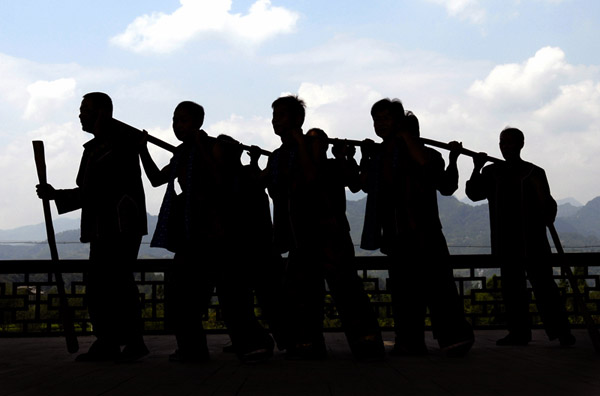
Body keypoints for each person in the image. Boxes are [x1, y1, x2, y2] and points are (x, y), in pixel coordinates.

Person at [140, 102, 273, 363]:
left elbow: (220, 180)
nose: (178, 126)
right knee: (182, 294)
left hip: (221, 234)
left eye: (184, 121)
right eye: (175, 120)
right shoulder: (180, 154)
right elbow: (156, 178)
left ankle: (256, 341)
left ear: (198, 123)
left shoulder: (216, 147)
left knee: (231, 294)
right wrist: (142, 149)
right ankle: (192, 348)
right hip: (192, 235)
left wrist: (200, 146)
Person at [36, 92, 149, 362]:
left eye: (85, 110)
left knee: (115, 285)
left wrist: (58, 195)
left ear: (101, 113)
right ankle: (113, 340)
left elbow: (97, 192)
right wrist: (57, 194)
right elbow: (90, 191)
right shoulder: (98, 147)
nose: (80, 115)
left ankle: (125, 341)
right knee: (103, 286)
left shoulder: (118, 146)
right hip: (103, 227)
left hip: (119, 227)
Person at [359, 99, 474, 357]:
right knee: (403, 294)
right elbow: (363, 184)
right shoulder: (379, 156)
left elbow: (430, 170)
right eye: (376, 120)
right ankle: (409, 340)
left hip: (425, 232)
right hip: (396, 236)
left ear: (399, 122)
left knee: (440, 288)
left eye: (386, 118)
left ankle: (454, 337)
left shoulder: (426, 154)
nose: (380, 124)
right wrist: (365, 157)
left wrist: (406, 138)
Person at [465, 127, 575, 346]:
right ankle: (519, 333)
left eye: (510, 143)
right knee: (512, 290)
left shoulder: (534, 173)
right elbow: (473, 194)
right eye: (502, 143)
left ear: (521, 144)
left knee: (545, 288)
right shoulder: (492, 172)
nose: (505, 147)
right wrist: (476, 168)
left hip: (533, 242)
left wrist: (546, 204)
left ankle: (562, 332)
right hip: (506, 243)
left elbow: (549, 208)